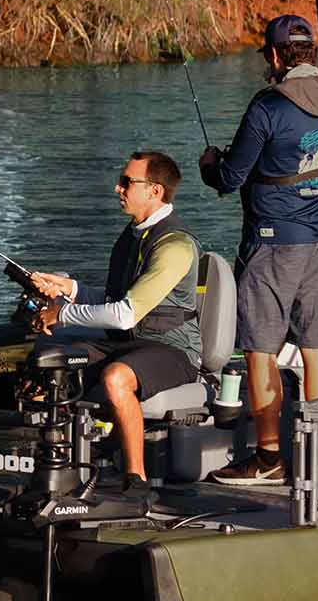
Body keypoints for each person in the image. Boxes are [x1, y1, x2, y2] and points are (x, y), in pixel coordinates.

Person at [201, 11, 318, 485]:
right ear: (311, 53)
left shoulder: (268, 106)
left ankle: (268, 459)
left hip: (273, 244)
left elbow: (231, 178)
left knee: (260, 350)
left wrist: (210, 166)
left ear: (274, 55)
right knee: (316, 346)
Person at [22, 153, 203, 486]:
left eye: (126, 182)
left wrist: (61, 313)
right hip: (125, 343)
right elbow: (112, 301)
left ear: (155, 191)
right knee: (50, 362)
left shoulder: (175, 245)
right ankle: (57, 469)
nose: (117, 188)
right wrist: (70, 290)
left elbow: (124, 315)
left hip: (174, 350)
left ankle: (136, 480)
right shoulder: (132, 236)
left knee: (116, 377)